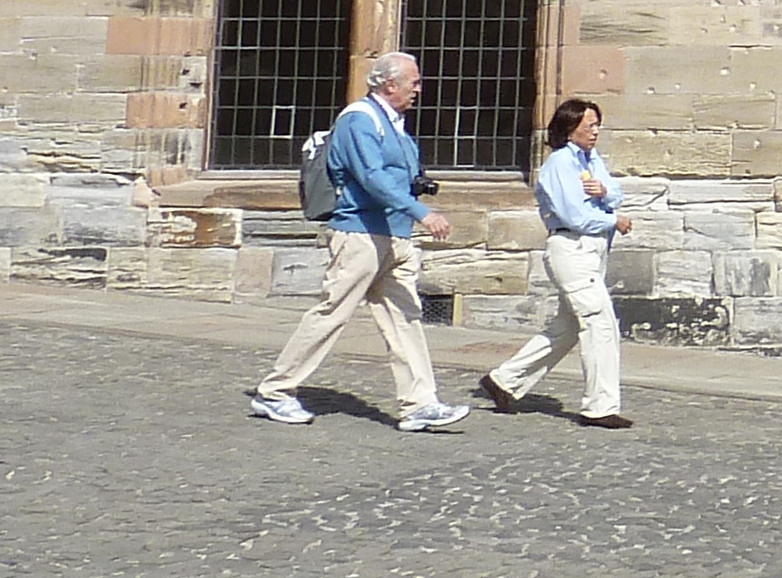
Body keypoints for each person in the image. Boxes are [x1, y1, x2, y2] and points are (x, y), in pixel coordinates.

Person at [247, 50, 468, 433]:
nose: (419, 89)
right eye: (413, 82)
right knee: (333, 312)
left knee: (406, 319)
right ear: (389, 84)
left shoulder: (394, 123)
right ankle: (275, 391)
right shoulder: (359, 120)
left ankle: (419, 404)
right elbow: (371, 177)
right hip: (360, 234)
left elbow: (401, 174)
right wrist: (422, 213)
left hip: (393, 235)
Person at [483, 98, 634, 429]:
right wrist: (612, 221)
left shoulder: (591, 159)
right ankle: (600, 406)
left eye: (597, 124)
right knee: (600, 323)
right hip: (571, 248)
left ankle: (505, 380)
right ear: (570, 129)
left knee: (566, 328)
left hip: (592, 252)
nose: (595, 131)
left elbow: (615, 192)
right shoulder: (559, 164)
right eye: (588, 125)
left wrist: (604, 192)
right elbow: (573, 215)